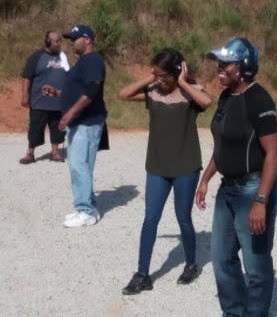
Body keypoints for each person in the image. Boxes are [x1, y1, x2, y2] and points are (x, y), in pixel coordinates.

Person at [195, 38, 277, 317]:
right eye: (219, 63)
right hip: (228, 190)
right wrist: (206, 178)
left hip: (253, 188)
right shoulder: (226, 97)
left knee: (255, 266)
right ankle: (233, 312)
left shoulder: (259, 99)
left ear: (244, 66)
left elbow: (273, 153)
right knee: (221, 260)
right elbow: (223, 146)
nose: (220, 69)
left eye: (226, 64)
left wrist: (261, 200)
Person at [119, 48, 212, 295]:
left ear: (177, 71)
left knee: (183, 218)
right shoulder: (153, 92)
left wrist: (183, 81)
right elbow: (124, 94)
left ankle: (191, 264)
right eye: (155, 74)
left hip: (185, 167)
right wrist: (151, 78)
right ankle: (142, 275)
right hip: (158, 167)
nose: (159, 80)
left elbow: (207, 102)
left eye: (163, 75)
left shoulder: (190, 94)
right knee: (150, 218)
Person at [42, 25, 107, 228]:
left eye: (75, 38)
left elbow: (93, 89)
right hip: (81, 121)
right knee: (81, 166)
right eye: (70, 38)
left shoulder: (93, 61)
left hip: (86, 122)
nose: (71, 42)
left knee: (80, 166)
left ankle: (85, 211)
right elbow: (77, 92)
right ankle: (88, 208)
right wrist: (58, 93)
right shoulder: (83, 62)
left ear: (87, 39)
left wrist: (69, 114)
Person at [20, 30, 69, 164]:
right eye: (56, 41)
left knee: (58, 128)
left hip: (58, 102)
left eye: (60, 41)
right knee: (35, 128)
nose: (59, 44)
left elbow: (69, 75)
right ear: (48, 42)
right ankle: (30, 153)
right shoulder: (36, 56)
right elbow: (27, 76)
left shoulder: (63, 57)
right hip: (39, 101)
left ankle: (55, 152)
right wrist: (25, 95)